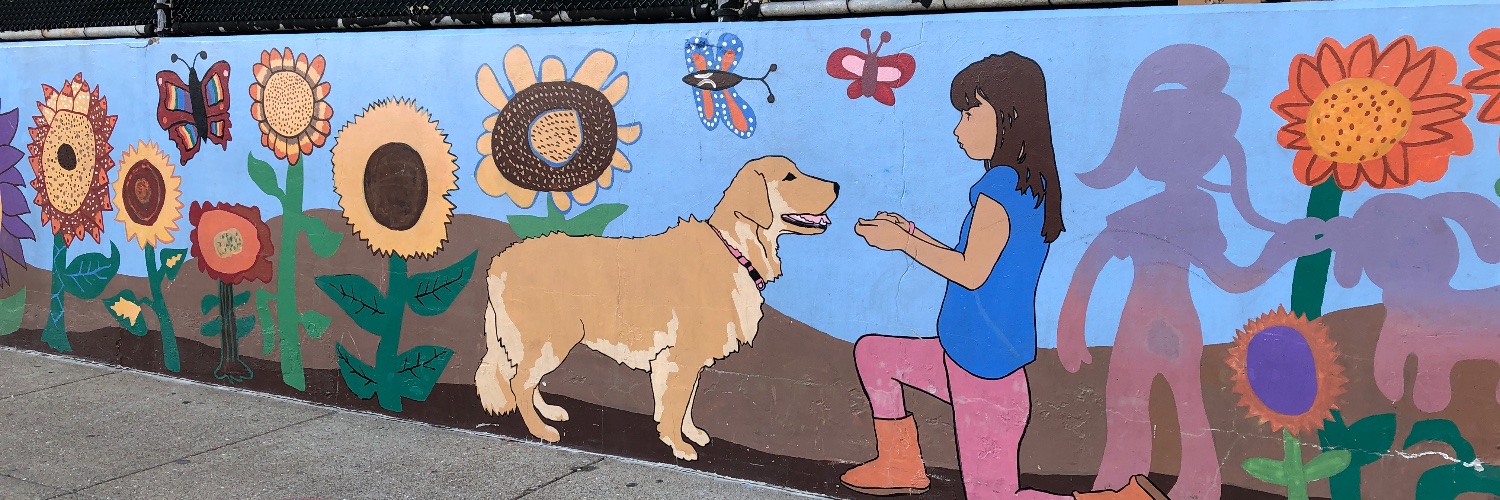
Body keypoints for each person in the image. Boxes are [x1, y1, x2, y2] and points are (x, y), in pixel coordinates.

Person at [845, 52, 1166, 500]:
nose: (959, 128)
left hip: (985, 375)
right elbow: (970, 258)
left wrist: (902, 243)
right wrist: (911, 232)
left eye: (970, 113)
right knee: (875, 355)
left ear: (1009, 117)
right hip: (963, 353)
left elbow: (971, 273)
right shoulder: (1027, 186)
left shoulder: (1000, 189)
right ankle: (900, 461)